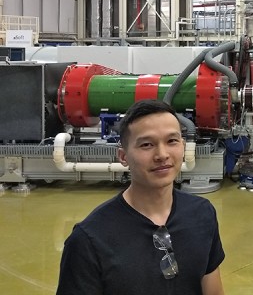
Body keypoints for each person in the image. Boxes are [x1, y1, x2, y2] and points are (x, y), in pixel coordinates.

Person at [57, 99, 225, 295]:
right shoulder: (89, 240)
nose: (162, 154)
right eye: (146, 144)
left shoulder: (202, 214)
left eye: (172, 141)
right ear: (123, 156)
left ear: (183, 146)